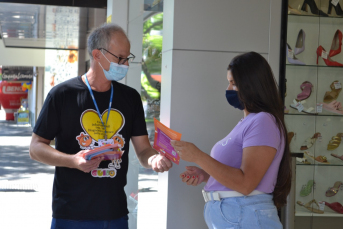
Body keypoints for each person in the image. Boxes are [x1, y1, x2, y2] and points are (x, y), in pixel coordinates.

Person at [29, 23, 172, 229]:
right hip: (70, 214)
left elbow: (143, 150)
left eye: (127, 58)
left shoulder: (130, 98)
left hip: (114, 214)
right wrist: (73, 161)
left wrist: (154, 159)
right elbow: (35, 148)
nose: (125, 64)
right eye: (120, 58)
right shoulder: (62, 95)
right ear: (97, 55)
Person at [171, 52, 291, 229]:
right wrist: (207, 176)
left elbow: (246, 183)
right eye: (229, 82)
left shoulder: (263, 121)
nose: (229, 88)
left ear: (251, 85)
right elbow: (238, 175)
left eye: (234, 83)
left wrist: (198, 156)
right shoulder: (249, 122)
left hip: (247, 216)